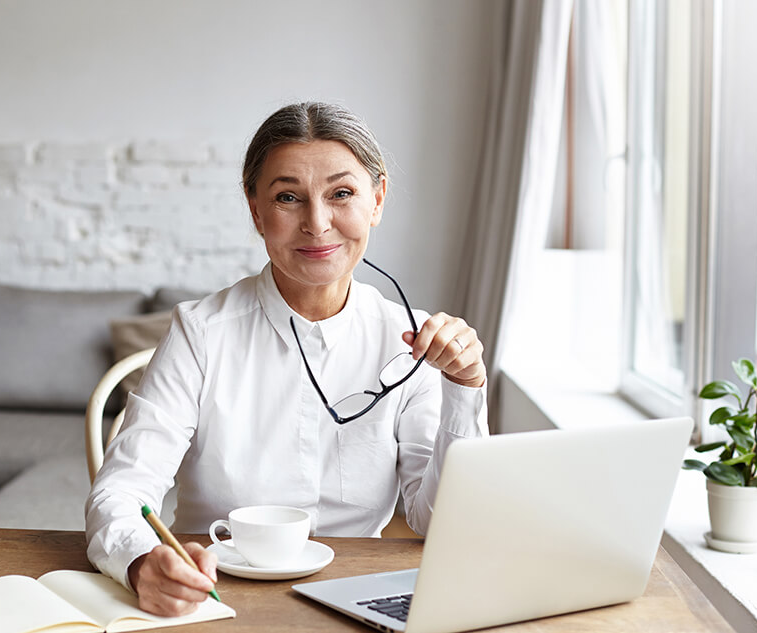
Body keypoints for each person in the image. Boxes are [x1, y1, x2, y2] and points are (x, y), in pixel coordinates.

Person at [85, 102, 489, 616]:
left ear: (377, 199)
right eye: (288, 198)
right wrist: (143, 563)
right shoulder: (200, 332)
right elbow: (122, 491)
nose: (317, 224)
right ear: (256, 210)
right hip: (218, 594)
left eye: (341, 194)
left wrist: (465, 387)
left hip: (361, 594)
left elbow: (442, 522)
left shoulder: (413, 339)